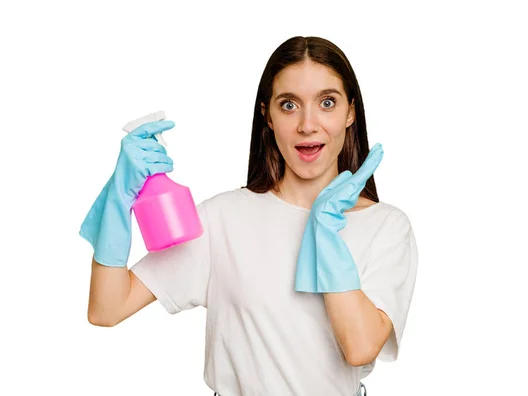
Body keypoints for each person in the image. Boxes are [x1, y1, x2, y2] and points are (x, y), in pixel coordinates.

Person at [81, 36, 419, 396]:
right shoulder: (223, 218)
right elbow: (107, 308)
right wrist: (119, 202)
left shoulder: (387, 226)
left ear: (350, 112)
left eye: (327, 102)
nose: (308, 124)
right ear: (267, 116)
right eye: (288, 105)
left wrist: (325, 235)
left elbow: (360, 348)